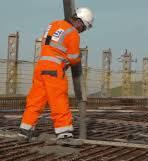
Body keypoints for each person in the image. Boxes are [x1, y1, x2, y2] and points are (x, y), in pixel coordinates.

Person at [18, 7, 94, 144]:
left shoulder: (54, 24)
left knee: (35, 100)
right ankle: (64, 134)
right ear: (80, 22)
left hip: (40, 67)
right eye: (84, 27)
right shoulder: (73, 33)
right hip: (54, 69)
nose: (82, 30)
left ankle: (24, 131)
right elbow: (73, 58)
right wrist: (79, 55)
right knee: (59, 100)